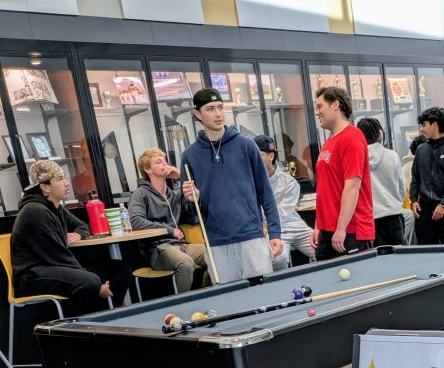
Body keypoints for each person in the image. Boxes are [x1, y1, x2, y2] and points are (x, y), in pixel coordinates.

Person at [180, 87, 282, 283]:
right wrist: (193, 199)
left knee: (264, 297)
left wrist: (275, 233)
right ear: (197, 114)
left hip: (252, 238)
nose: (218, 114)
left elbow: (266, 194)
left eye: (220, 107)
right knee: (231, 305)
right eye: (210, 109)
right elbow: (188, 210)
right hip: (216, 244)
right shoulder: (189, 156)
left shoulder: (247, 146)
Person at [10, 159, 127, 316]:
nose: (66, 183)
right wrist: (97, 284)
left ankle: (105, 319)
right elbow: (58, 257)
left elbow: (84, 226)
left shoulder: (56, 208)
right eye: (59, 179)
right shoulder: (36, 211)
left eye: (64, 177)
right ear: (45, 187)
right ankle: (91, 328)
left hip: (52, 267)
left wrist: (78, 234)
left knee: (120, 269)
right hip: (32, 276)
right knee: (91, 281)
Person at [128, 148, 206, 292]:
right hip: (159, 249)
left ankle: (206, 293)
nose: (165, 164)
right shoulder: (140, 194)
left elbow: (194, 209)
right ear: (148, 169)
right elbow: (135, 221)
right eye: (159, 162)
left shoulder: (173, 194)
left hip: (182, 245)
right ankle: (183, 304)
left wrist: (180, 176)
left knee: (214, 254)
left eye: (165, 161)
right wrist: (169, 231)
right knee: (185, 263)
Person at [313, 85, 375, 259]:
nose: (317, 113)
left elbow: (352, 186)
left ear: (335, 105)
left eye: (320, 106)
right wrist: (319, 226)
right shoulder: (329, 142)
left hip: (350, 231)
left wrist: (341, 229)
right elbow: (325, 188)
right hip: (328, 230)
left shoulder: (351, 137)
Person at [253, 134, 315, 269]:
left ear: (271, 156)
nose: (255, 159)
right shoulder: (250, 184)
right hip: (272, 232)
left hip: (295, 227)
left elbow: (281, 215)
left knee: (322, 248)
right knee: (277, 259)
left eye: (260, 155)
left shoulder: (290, 183)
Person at [410, 107, 444, 245]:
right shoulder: (421, 150)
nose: (422, 129)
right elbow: (415, 178)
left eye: (424, 125)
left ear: (434, 124)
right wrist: (414, 200)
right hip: (424, 210)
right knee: (425, 252)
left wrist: (443, 204)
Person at [356, 117, 405, 246]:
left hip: (371, 219)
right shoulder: (392, 155)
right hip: (394, 215)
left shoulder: (357, 159)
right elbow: (401, 188)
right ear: (379, 133)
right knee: (399, 258)